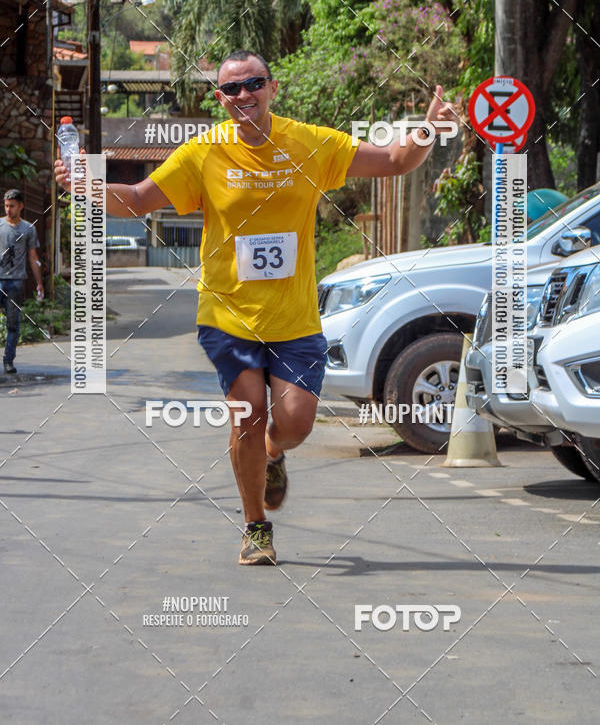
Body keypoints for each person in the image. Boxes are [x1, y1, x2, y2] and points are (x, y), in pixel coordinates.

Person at [54, 50, 458, 565]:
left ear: (272, 88)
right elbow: (137, 196)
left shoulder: (309, 143)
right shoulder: (205, 152)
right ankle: (255, 526)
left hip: (293, 320)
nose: (243, 95)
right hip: (228, 315)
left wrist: (427, 130)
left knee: (295, 424)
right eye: (232, 89)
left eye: (254, 84)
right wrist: (90, 187)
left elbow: (394, 161)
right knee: (247, 413)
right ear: (219, 99)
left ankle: (274, 453)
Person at [1, 189, 44, 375]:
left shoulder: (28, 229)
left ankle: (8, 360)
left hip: (16, 282)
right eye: (6, 206)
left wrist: (39, 283)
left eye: (12, 206)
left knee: (13, 324)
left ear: (20, 206)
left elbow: (33, 258)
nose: (9, 209)